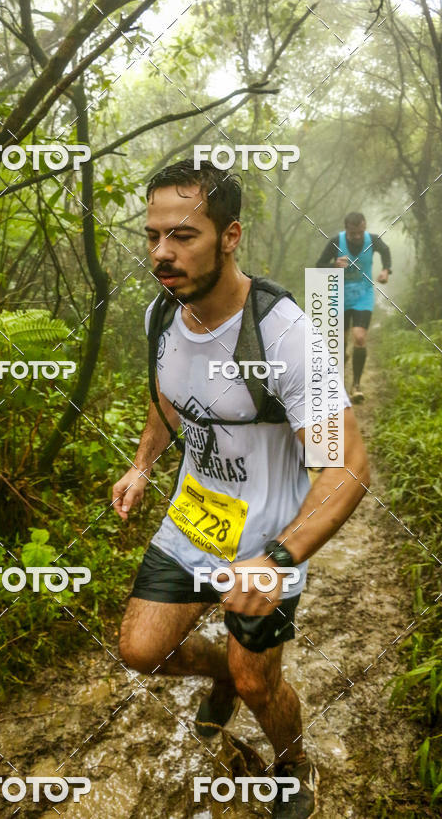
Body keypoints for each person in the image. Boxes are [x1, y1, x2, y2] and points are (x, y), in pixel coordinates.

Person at [113, 159, 370, 819]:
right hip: (194, 521)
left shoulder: (284, 335)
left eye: (182, 235)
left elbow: (347, 467)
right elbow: (170, 400)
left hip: (265, 540)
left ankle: (294, 763)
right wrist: (142, 465)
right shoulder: (162, 315)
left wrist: (279, 559)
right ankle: (220, 673)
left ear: (230, 236)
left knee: (260, 682)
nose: (162, 253)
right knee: (141, 649)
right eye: (153, 236)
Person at [316, 212, 391, 403]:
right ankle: (340, 367)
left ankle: (356, 386)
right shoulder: (336, 242)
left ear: (364, 227)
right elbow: (319, 266)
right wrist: (334, 266)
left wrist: (385, 270)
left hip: (363, 295)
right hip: (338, 295)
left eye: (360, 232)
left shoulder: (372, 240)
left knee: (359, 337)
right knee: (340, 342)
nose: (357, 237)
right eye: (353, 234)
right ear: (346, 229)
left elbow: (385, 251)